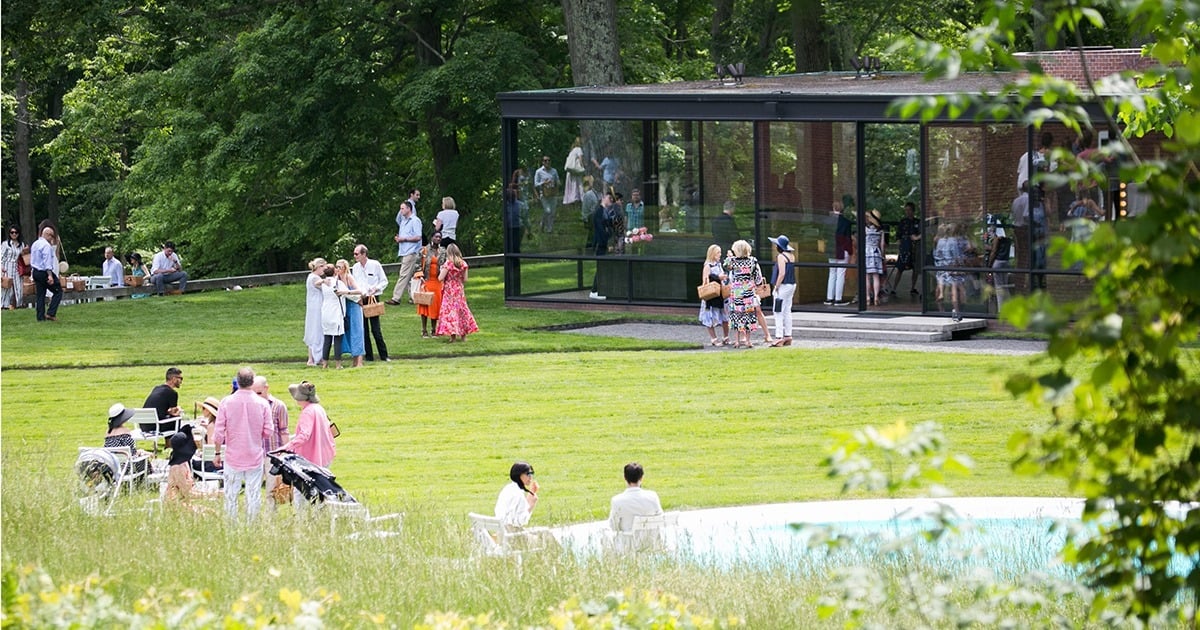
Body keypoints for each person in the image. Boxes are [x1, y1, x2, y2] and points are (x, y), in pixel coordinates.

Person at [213, 367, 273, 521]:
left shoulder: (226, 402)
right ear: (252, 382)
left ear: (237, 382)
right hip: (254, 454)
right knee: (253, 493)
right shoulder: (262, 403)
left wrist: (217, 453)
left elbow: (219, 432)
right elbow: (268, 431)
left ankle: (231, 525)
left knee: (231, 493)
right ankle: (251, 524)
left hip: (233, 455)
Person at [279, 380, 336, 506]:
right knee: (321, 488)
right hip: (324, 455)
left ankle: (301, 519)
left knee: (301, 490)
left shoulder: (307, 412)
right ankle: (318, 515)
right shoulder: (319, 408)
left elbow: (304, 435)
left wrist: (287, 447)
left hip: (310, 458)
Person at [251, 375, 290, 505]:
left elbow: (284, 430)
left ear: (266, 388)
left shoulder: (278, 406)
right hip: (254, 453)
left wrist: (286, 453)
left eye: (259, 393)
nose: (256, 396)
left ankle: (270, 520)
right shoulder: (249, 406)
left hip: (272, 454)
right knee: (252, 489)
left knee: (271, 490)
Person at [351, 244, 390, 362]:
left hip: (373, 298)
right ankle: (369, 356)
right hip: (361, 298)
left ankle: (384, 355)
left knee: (375, 329)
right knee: (364, 329)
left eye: (357, 254)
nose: (355, 256)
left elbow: (384, 281)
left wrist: (376, 288)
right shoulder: (356, 267)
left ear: (364, 254)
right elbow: (355, 283)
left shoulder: (375, 265)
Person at [608, 462, 664, 542]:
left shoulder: (617, 501)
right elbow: (660, 519)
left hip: (628, 545)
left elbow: (613, 526)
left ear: (625, 477)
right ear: (641, 478)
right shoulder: (652, 497)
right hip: (651, 542)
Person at [434, 243, 478, 342]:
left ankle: (452, 336)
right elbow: (465, 279)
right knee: (462, 311)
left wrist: (442, 271)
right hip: (459, 289)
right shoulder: (463, 263)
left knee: (450, 312)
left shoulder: (448, 264)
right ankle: (463, 336)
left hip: (449, 290)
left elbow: (440, 278)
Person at [723, 239, 762, 349]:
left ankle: (737, 341)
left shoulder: (733, 261)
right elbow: (758, 277)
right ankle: (748, 341)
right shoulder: (752, 261)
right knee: (749, 314)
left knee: (736, 314)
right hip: (748, 290)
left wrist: (730, 256)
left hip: (736, 291)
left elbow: (725, 264)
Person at [387, 199, 422, 306]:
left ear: (408, 209)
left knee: (403, 274)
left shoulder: (415, 221)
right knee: (410, 275)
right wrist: (399, 238)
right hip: (404, 251)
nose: (401, 210)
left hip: (411, 251)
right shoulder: (403, 221)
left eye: (402, 208)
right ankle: (414, 297)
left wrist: (404, 239)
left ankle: (396, 298)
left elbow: (418, 237)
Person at [104, 403, 150, 480]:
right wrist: (142, 452)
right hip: (126, 467)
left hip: (113, 467)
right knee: (146, 461)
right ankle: (145, 483)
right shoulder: (125, 432)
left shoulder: (108, 433)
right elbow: (132, 454)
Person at [933, 223, 968, 322]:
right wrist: (960, 265)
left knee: (940, 286)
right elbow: (956, 256)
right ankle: (958, 311)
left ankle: (941, 310)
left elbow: (936, 253)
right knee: (957, 289)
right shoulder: (953, 241)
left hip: (941, 266)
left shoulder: (939, 241)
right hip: (952, 266)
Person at [335, 259, 365, 367]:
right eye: (336, 267)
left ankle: (359, 362)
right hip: (344, 307)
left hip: (354, 306)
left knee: (357, 332)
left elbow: (359, 290)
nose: (337, 269)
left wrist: (345, 291)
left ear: (345, 268)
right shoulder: (336, 279)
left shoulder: (349, 277)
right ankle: (354, 360)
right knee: (348, 333)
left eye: (340, 267)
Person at [29, 225, 62, 322]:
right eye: (51, 236)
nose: (52, 238)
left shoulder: (35, 244)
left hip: (36, 271)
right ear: (47, 235)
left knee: (40, 295)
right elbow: (47, 262)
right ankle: (51, 313)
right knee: (58, 291)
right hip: (44, 272)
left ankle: (40, 317)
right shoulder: (46, 246)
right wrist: (50, 275)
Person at [825, 198, 854, 306]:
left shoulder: (827, 221)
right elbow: (848, 239)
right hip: (842, 249)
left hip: (831, 249)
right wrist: (850, 251)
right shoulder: (846, 222)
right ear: (842, 209)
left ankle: (829, 298)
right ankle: (838, 298)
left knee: (831, 273)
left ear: (833, 208)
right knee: (840, 274)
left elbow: (825, 235)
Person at [699, 244, 730, 346]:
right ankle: (714, 338)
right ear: (712, 253)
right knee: (710, 317)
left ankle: (726, 337)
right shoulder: (708, 266)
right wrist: (717, 278)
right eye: (718, 252)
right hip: (712, 295)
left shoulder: (718, 264)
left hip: (720, 293)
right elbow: (705, 280)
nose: (720, 254)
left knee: (725, 316)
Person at [768, 235, 796, 346]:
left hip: (783, 286)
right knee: (787, 310)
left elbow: (782, 273)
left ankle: (779, 337)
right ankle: (788, 335)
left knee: (778, 311)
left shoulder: (781, 257)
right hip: (792, 285)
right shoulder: (791, 256)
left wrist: (776, 287)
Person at [888, 202, 921, 295]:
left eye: (909, 210)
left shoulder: (917, 222)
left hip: (914, 247)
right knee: (900, 268)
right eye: (906, 210)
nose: (907, 212)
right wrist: (900, 244)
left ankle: (913, 287)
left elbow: (920, 233)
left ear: (913, 211)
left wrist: (917, 237)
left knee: (915, 268)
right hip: (905, 246)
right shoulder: (903, 222)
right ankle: (894, 288)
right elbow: (898, 235)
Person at [495, 461, 539, 528]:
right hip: (511, 535)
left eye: (531, 474)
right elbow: (520, 522)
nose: (530, 477)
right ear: (519, 475)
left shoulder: (508, 489)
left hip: (502, 531)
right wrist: (531, 505)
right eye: (528, 474)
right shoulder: (518, 494)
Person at [417, 231, 445, 337]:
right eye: (436, 236)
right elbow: (417, 264)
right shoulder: (424, 250)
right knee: (425, 305)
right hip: (427, 281)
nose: (438, 238)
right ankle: (424, 330)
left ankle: (434, 329)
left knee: (436, 306)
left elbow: (446, 264)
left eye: (439, 237)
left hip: (438, 282)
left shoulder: (443, 251)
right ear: (432, 237)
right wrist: (420, 276)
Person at [318, 265, 346, 369]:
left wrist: (322, 281)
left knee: (327, 339)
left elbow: (316, 284)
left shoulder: (324, 283)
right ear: (335, 272)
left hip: (325, 313)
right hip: (336, 313)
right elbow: (347, 293)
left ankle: (325, 364)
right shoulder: (338, 283)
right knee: (338, 339)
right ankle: (338, 364)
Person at [588, 192, 615, 300]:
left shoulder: (605, 212)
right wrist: (606, 242)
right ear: (603, 198)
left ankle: (599, 289)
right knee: (601, 267)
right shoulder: (599, 212)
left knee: (604, 267)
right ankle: (594, 290)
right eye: (609, 198)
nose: (611, 201)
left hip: (604, 243)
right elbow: (601, 230)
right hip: (601, 244)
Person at [983, 217, 1013, 313]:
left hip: (998, 262)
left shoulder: (997, 239)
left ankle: (1001, 311)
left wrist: (989, 265)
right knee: (1005, 286)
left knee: (999, 287)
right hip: (1006, 262)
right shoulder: (1007, 240)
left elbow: (994, 252)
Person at [303, 257, 327, 366]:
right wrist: (327, 280)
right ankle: (316, 358)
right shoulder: (315, 278)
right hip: (317, 307)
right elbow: (320, 284)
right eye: (324, 267)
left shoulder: (311, 276)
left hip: (313, 307)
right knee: (317, 331)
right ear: (319, 267)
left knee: (313, 331)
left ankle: (312, 359)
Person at [864, 210, 887, 307]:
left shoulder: (865, 229)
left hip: (867, 252)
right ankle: (877, 297)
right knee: (876, 276)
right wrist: (882, 255)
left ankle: (868, 297)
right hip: (876, 253)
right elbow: (882, 244)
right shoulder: (881, 231)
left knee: (867, 277)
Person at [534, 155, 560, 233]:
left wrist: (558, 183)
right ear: (542, 162)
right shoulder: (539, 171)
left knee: (552, 212)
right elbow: (535, 184)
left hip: (553, 193)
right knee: (547, 211)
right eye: (545, 161)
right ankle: (543, 223)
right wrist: (543, 183)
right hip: (544, 194)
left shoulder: (554, 171)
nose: (547, 162)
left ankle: (549, 229)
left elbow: (557, 180)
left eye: (549, 160)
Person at [1, 225, 25, 309]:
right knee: (7, 286)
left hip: (17, 266)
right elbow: (1, 257)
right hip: (7, 266)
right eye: (12, 232)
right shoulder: (5, 244)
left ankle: (19, 304)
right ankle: (3, 304)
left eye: (16, 232)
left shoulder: (21, 244)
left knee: (19, 285)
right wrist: (2, 267)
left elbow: (22, 256)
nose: (14, 234)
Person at [562, 137, 585, 207]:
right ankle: (579, 201)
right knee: (579, 185)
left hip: (570, 171)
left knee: (571, 186)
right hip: (576, 170)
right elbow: (580, 160)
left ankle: (571, 201)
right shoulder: (579, 149)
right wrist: (583, 167)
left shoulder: (572, 150)